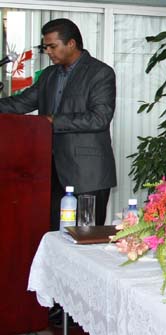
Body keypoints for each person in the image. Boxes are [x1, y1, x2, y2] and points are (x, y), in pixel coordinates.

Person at [0, 18, 117, 230]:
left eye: (52, 46)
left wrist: (52, 121)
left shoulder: (100, 73)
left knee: (84, 238)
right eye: (46, 47)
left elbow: (99, 118)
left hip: (88, 175)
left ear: (71, 44)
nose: (49, 52)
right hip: (52, 172)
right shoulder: (49, 75)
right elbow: (22, 103)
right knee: (54, 236)